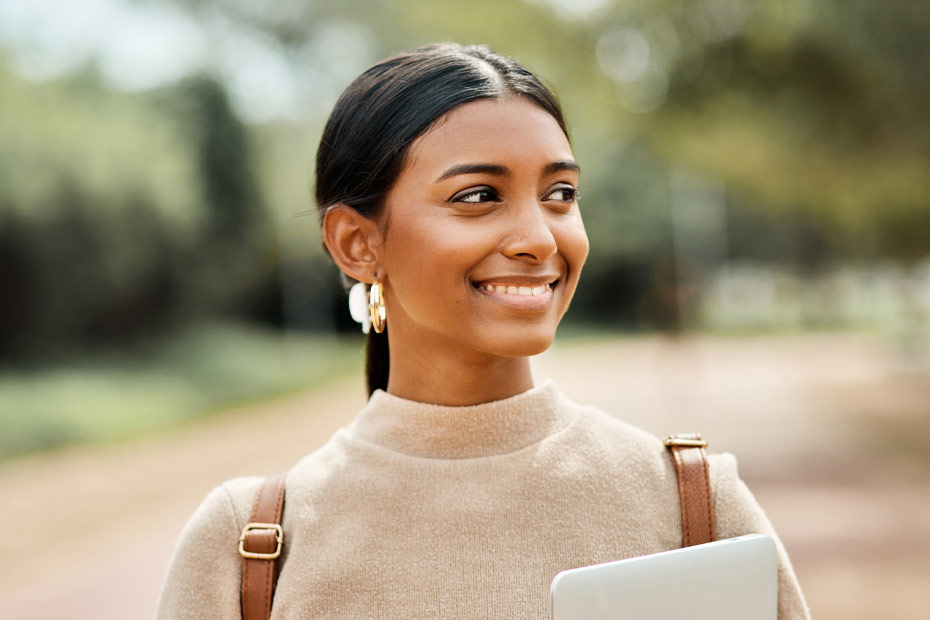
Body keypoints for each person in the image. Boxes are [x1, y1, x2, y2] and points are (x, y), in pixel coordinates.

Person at [156, 43, 810, 619]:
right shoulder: (251, 545)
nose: (538, 238)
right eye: (478, 196)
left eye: (559, 194)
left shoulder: (692, 505)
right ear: (357, 243)